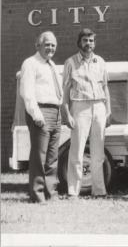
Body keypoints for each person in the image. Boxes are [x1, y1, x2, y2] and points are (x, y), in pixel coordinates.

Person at [62, 28, 111, 198]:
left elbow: (105, 87)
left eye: (91, 40)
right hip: (79, 106)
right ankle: (73, 191)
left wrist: (108, 111)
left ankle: (99, 190)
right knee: (77, 150)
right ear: (79, 42)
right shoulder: (70, 62)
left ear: (94, 43)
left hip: (99, 106)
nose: (88, 43)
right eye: (85, 40)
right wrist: (66, 113)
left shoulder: (101, 61)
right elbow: (66, 90)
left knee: (98, 152)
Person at [20, 31, 63, 203]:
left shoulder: (51, 65)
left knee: (53, 156)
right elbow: (27, 92)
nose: (51, 48)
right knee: (40, 155)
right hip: (41, 111)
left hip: (55, 112)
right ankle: (37, 195)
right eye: (47, 44)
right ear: (38, 45)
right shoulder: (30, 63)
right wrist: (36, 114)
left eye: (53, 45)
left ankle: (51, 193)